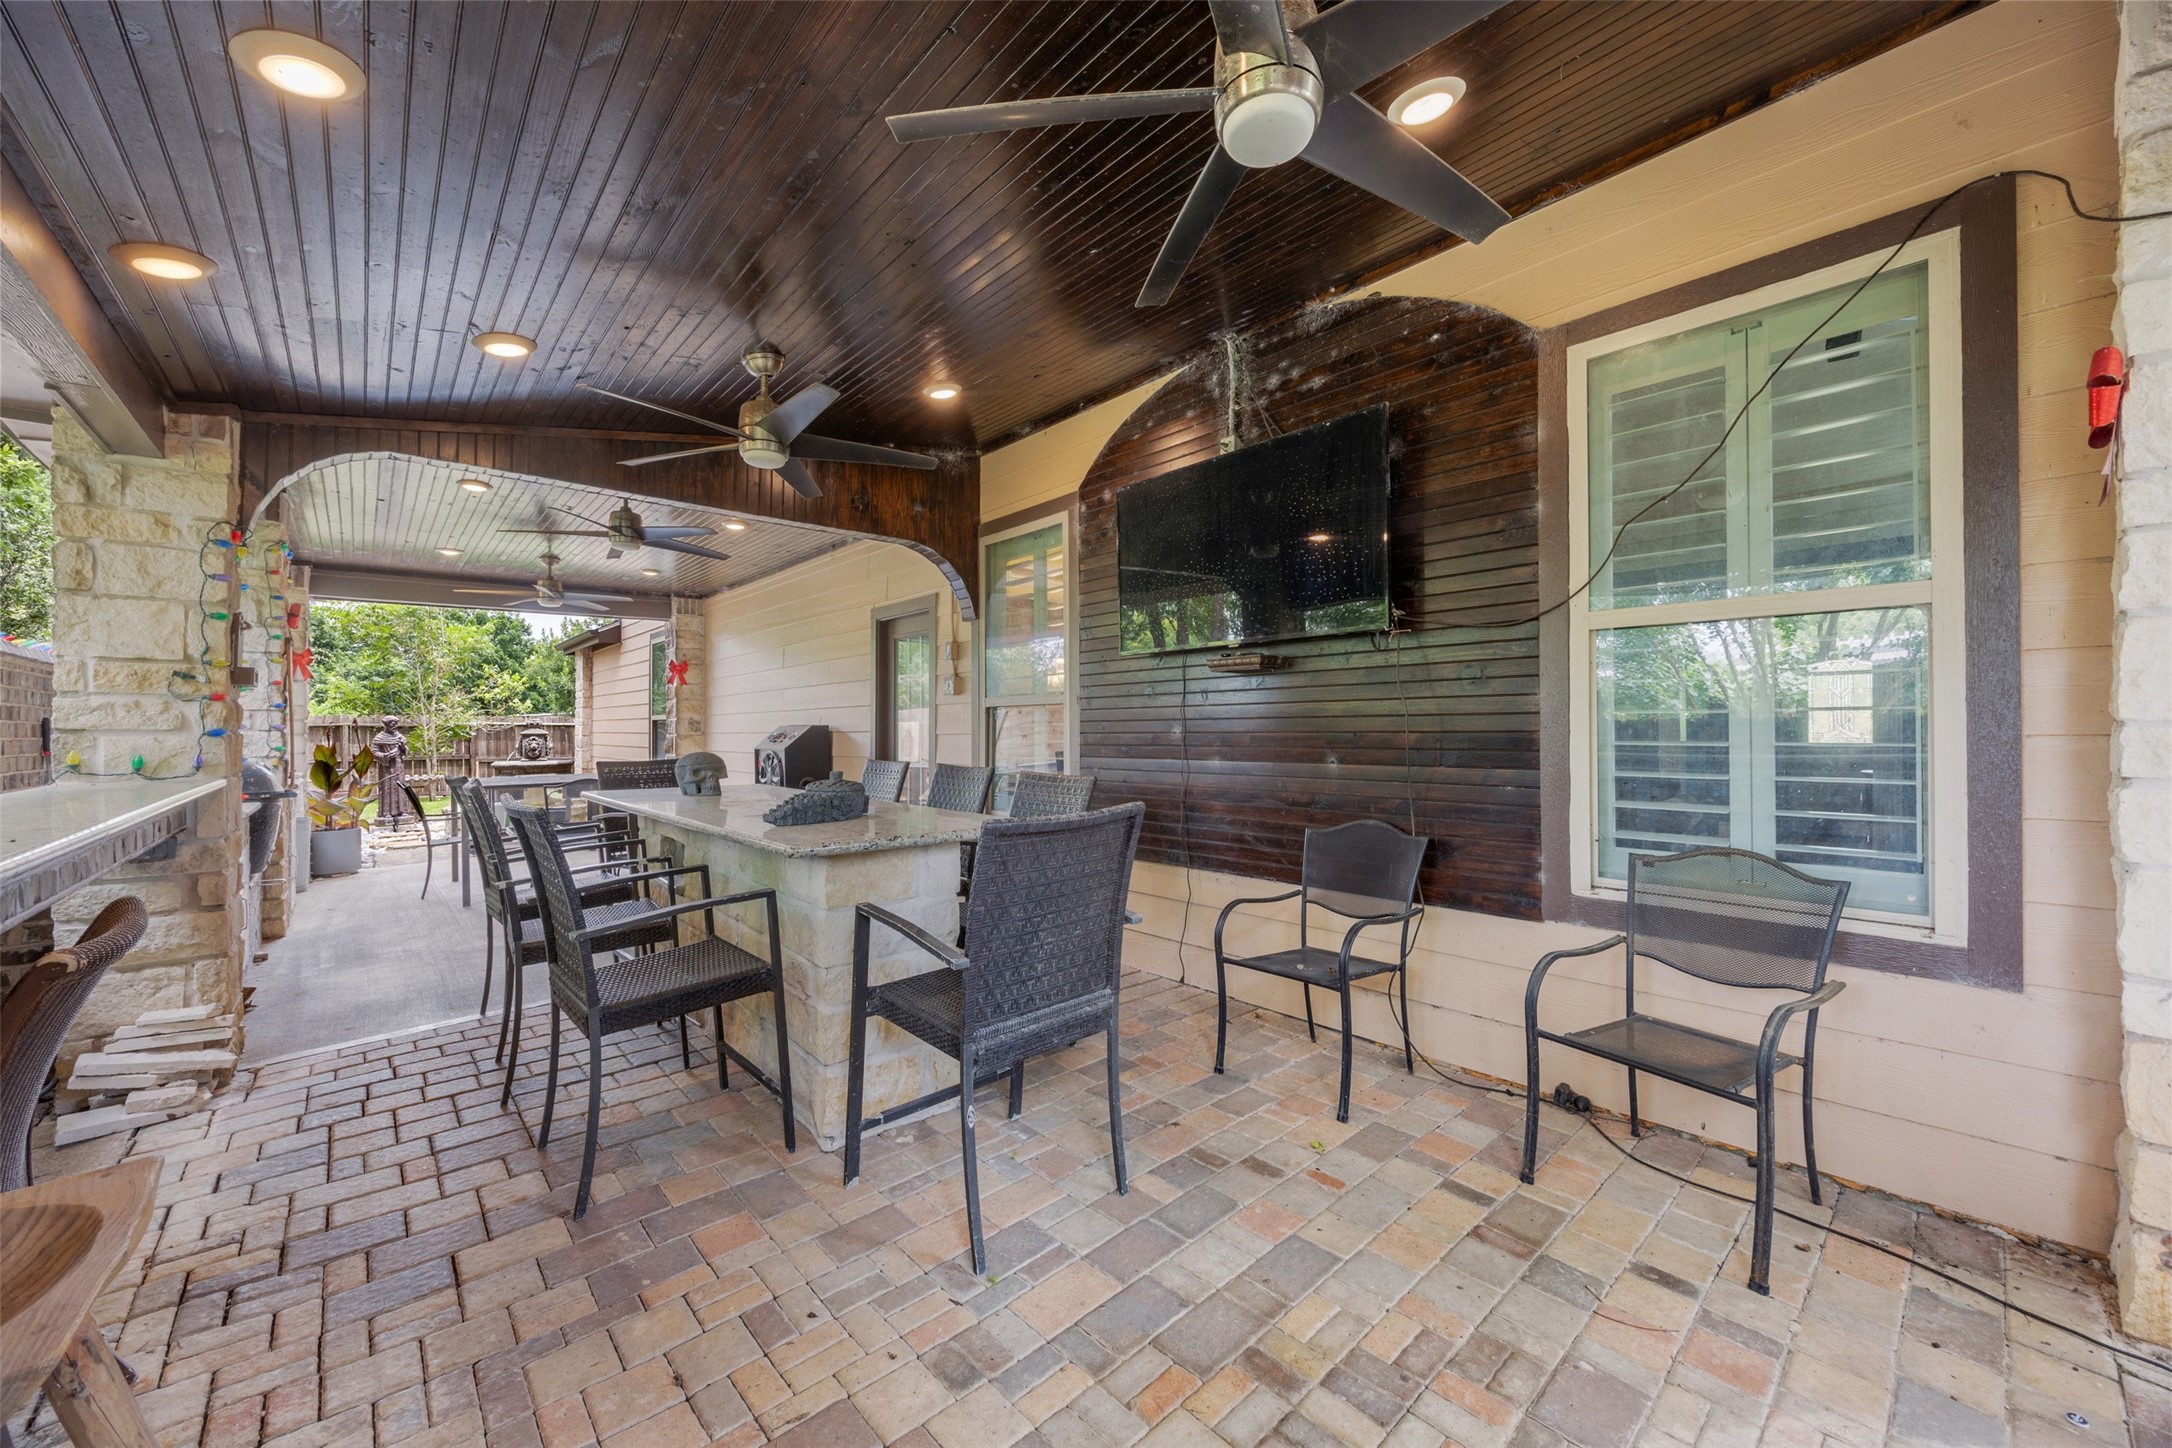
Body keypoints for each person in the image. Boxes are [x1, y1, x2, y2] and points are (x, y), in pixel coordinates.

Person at [371, 715, 412, 827]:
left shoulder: (399, 737)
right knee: (387, 788)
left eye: (396, 724)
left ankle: (403, 811)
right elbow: (374, 753)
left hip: (398, 766)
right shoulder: (379, 738)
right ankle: (386, 813)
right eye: (391, 724)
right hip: (387, 768)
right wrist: (386, 755)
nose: (394, 726)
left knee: (400, 787)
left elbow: (406, 752)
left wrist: (403, 747)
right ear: (385, 725)